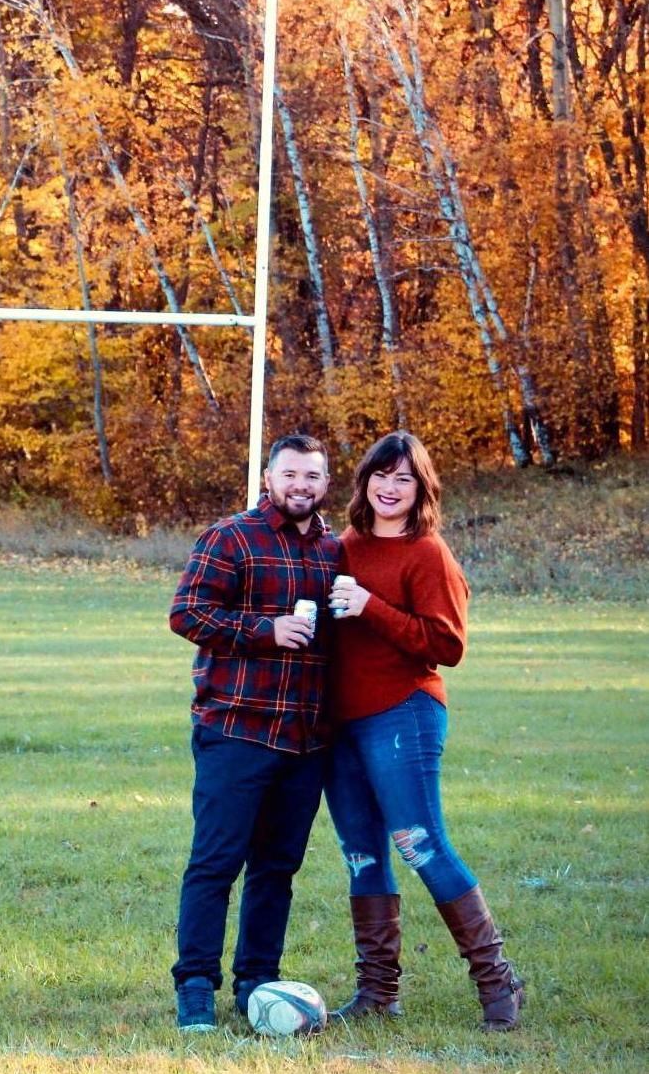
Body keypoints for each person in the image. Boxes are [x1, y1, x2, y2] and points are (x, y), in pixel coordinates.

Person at [323, 431, 524, 1031]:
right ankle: (378, 992)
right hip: (341, 724)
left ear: (421, 489)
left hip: (402, 712)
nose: (390, 487)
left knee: (419, 842)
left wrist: (370, 607)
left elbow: (447, 645)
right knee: (361, 855)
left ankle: (498, 980)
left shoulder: (427, 553)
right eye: (381, 475)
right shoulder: (344, 545)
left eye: (404, 478)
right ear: (364, 482)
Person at [168, 433, 340, 1031]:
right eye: (290, 474)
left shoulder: (333, 550)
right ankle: (194, 985)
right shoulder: (231, 536)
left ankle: (257, 983)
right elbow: (186, 613)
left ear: (325, 483)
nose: (301, 486)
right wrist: (266, 629)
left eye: (312, 477)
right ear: (269, 478)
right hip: (236, 730)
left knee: (277, 868)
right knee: (216, 862)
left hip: (306, 740)